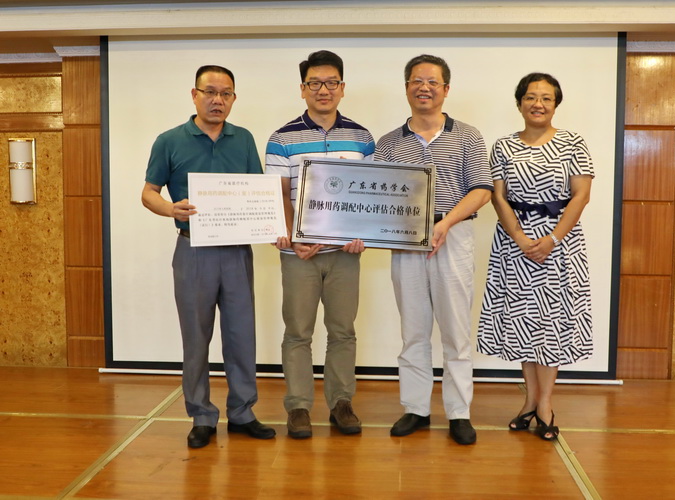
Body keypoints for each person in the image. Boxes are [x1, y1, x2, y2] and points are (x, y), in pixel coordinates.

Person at [142, 65, 276, 448]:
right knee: (196, 336)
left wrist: (270, 225)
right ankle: (201, 415)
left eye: (226, 93)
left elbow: (259, 193)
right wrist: (171, 209)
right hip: (193, 249)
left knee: (241, 334)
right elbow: (148, 192)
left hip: (236, 250)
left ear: (233, 98)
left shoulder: (243, 139)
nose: (218, 100)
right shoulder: (169, 140)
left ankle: (242, 412)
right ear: (194, 95)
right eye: (210, 92)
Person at [374, 54, 492, 445]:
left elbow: (482, 190)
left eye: (432, 82)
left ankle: (459, 413)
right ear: (407, 87)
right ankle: (416, 409)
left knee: (456, 332)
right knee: (413, 330)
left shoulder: (468, 136)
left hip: (453, 233)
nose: (424, 88)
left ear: (446, 89)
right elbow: (378, 199)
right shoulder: (389, 143)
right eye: (416, 81)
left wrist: (444, 223)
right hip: (405, 238)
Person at [477, 72, 594, 441]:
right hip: (515, 245)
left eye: (546, 98)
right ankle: (529, 401)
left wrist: (552, 239)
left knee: (551, 324)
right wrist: (520, 237)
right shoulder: (502, 147)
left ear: (555, 104)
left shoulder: (573, 142)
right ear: (519, 103)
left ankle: (545, 404)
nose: (538, 104)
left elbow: (581, 196)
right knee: (524, 323)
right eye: (530, 97)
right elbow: (498, 196)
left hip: (560, 245)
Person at [265, 50, 375, 439]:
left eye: (331, 83)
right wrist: (295, 238)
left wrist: (363, 234)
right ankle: (298, 407)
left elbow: (371, 196)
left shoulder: (361, 138)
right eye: (315, 83)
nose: (323, 90)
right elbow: (279, 194)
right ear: (303, 89)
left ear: (342, 87)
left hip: (344, 255)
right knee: (298, 331)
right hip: (299, 255)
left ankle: (341, 403)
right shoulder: (282, 138)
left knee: (343, 330)